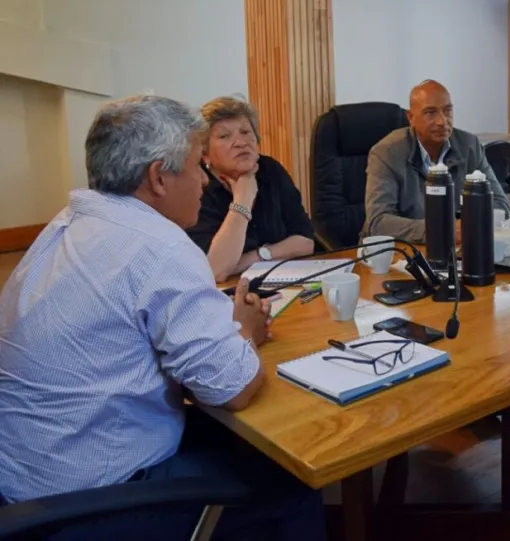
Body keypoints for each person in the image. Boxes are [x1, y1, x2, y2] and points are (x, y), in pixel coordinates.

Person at [0, 95, 326, 541]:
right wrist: (246, 332)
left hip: (26, 482)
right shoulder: (159, 245)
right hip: (90, 501)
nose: (204, 179)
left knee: (245, 443)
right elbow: (233, 389)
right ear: (158, 177)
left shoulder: (68, 222)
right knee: (295, 483)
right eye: (196, 165)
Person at [363, 79, 510, 244]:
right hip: (402, 250)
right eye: (430, 113)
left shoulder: (469, 146)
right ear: (411, 118)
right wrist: (442, 231)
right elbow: (378, 222)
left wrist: (468, 225)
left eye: (447, 111)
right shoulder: (387, 152)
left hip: (459, 250)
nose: (442, 121)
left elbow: (501, 206)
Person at [187, 96, 315, 282]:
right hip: (224, 293)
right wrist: (243, 199)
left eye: (246, 132)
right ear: (204, 154)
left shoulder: (270, 170)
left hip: (283, 282)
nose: (241, 142)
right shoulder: (196, 187)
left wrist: (259, 256)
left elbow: (305, 241)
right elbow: (216, 270)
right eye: (224, 136)